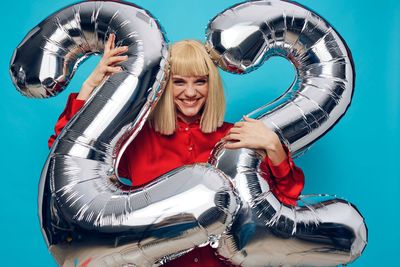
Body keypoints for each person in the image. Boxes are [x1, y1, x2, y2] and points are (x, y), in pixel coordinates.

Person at [48, 35, 305, 267]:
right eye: (179, 82)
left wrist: (274, 146)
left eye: (200, 81)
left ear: (211, 85)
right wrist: (91, 86)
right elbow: (67, 162)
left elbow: (284, 202)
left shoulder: (236, 138)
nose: (190, 92)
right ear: (164, 86)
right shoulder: (135, 139)